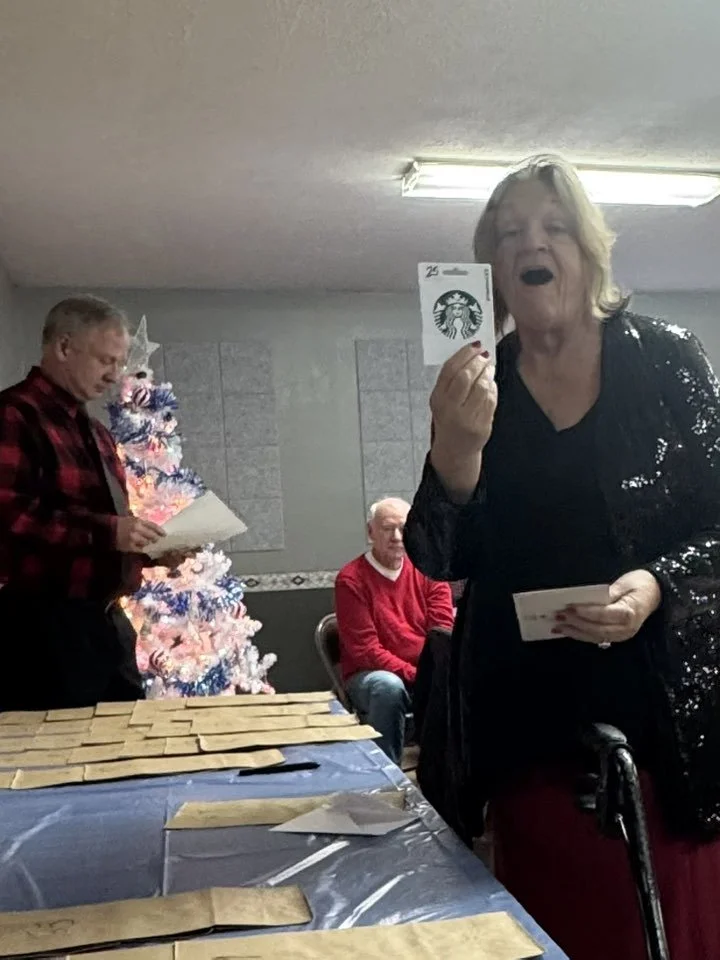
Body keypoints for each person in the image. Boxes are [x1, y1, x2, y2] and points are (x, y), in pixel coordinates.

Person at [404, 155, 720, 960]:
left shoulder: (666, 359)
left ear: (588, 250)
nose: (529, 244)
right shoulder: (478, 381)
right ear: (491, 273)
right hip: (524, 725)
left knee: (662, 931)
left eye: (551, 227)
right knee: (553, 928)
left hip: (659, 724)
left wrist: (653, 586)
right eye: (508, 234)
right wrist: (456, 452)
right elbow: (439, 555)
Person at [0, 295, 187, 711]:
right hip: (40, 628)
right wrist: (109, 530)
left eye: (120, 363)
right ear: (64, 347)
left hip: (102, 623)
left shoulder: (97, 433)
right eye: (106, 361)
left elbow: (102, 531)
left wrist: (150, 550)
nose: (115, 376)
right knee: (59, 763)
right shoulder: (13, 415)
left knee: (127, 748)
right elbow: (9, 515)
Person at [334, 497, 454, 764]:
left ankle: (447, 774)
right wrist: (418, 676)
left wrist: (429, 675)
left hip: (423, 672)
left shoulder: (429, 571)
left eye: (404, 528)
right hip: (371, 676)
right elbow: (367, 652)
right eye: (388, 528)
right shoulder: (351, 579)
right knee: (388, 686)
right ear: (370, 532)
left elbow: (441, 633)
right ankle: (388, 775)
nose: (397, 537)